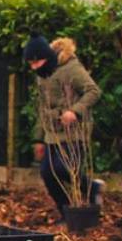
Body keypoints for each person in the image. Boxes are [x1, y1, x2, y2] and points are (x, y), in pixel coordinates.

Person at [23, 34, 103, 219]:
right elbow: (43, 108)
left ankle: (92, 188)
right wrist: (38, 138)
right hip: (52, 135)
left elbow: (93, 90)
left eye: (37, 62)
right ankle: (66, 212)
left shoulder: (70, 68)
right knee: (47, 175)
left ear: (48, 57)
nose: (34, 67)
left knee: (63, 169)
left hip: (73, 132)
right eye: (31, 64)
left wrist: (75, 111)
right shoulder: (42, 76)